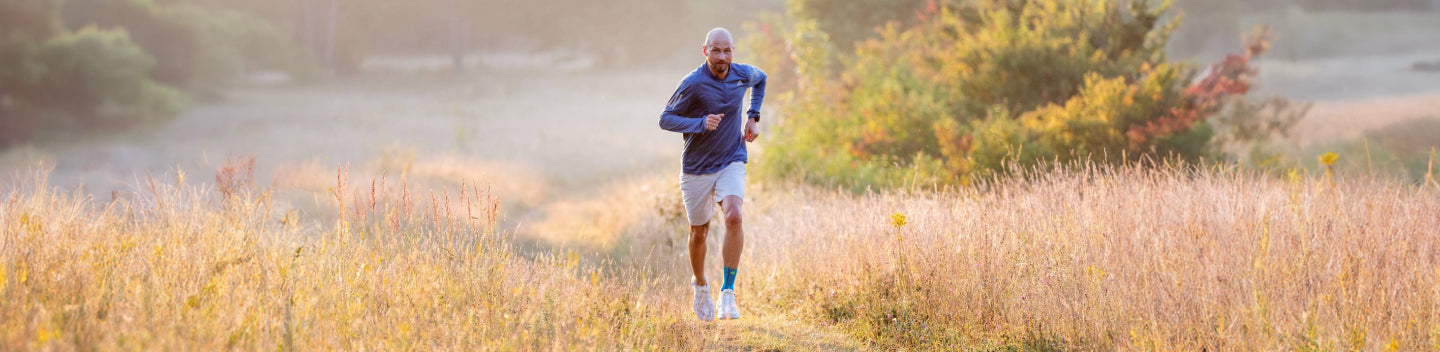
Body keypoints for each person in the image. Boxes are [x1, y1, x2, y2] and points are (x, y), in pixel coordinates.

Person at [658, 27, 766, 322]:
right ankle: (701, 285)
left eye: (727, 50)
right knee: (699, 232)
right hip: (696, 167)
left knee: (734, 215)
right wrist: (700, 123)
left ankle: (728, 294)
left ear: (733, 51)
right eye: (716, 50)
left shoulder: (742, 73)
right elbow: (665, 119)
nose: (722, 57)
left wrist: (753, 116)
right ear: (705, 51)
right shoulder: (693, 83)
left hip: (732, 158)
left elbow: (762, 79)